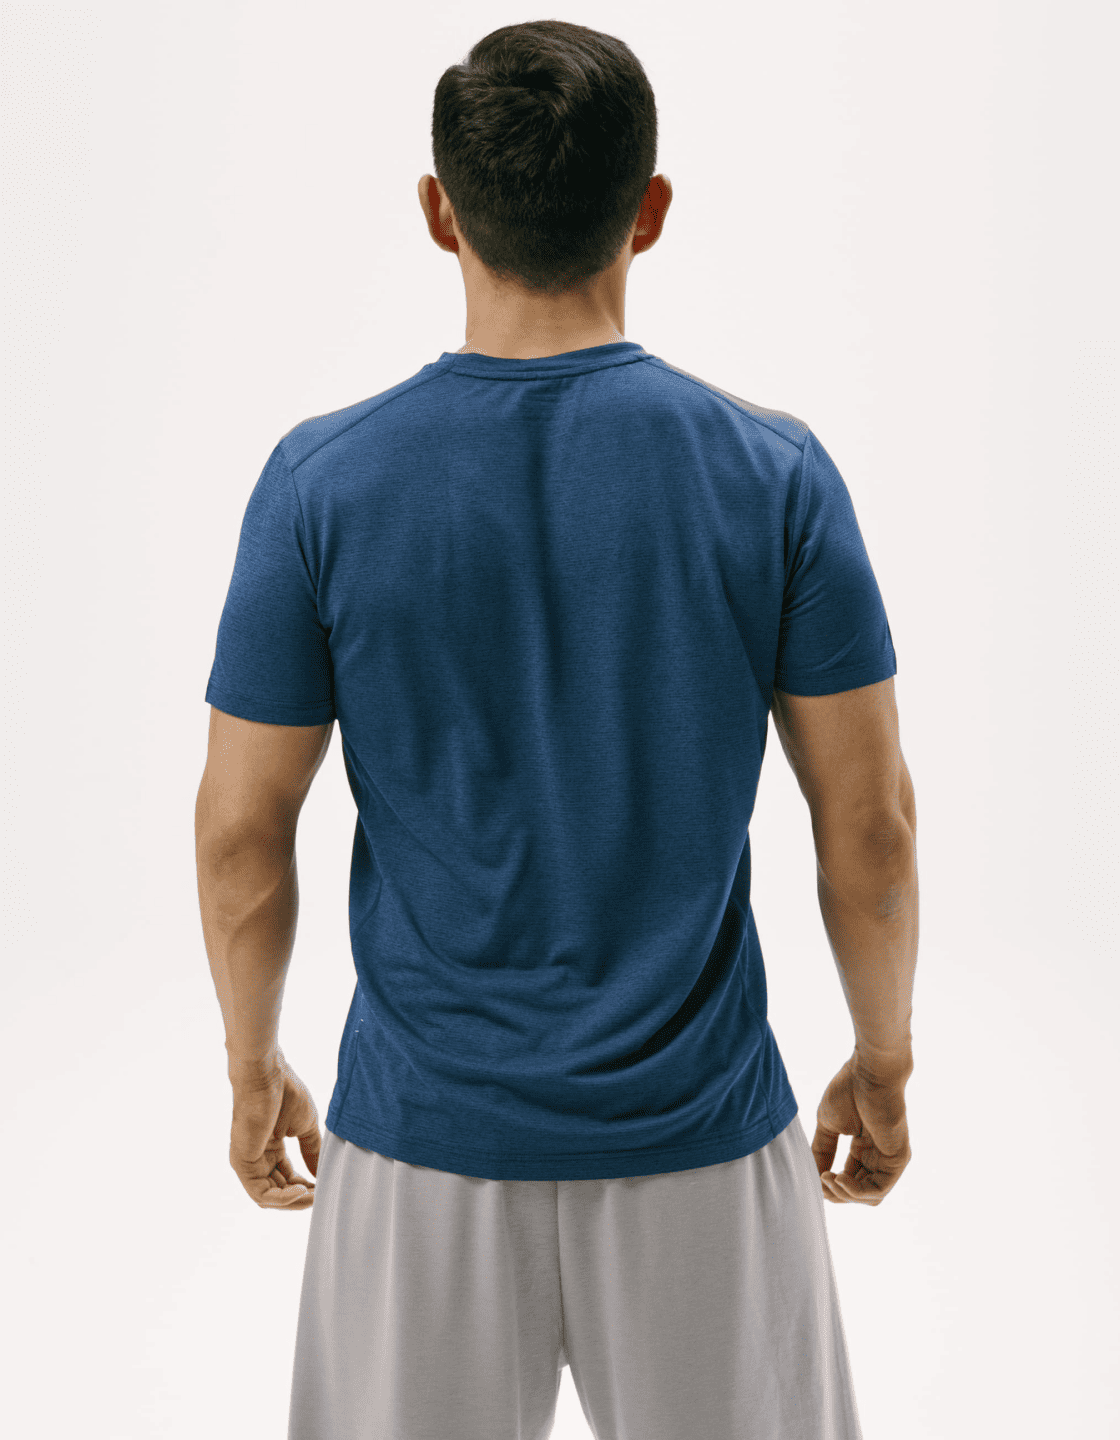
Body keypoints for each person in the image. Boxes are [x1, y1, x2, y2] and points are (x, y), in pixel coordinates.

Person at [196, 19, 918, 1440]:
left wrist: (251, 1067)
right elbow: (871, 825)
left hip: (422, 1150)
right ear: (650, 210)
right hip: (702, 1146)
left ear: (438, 211)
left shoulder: (321, 484)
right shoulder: (773, 474)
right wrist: (884, 1062)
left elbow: (239, 835)